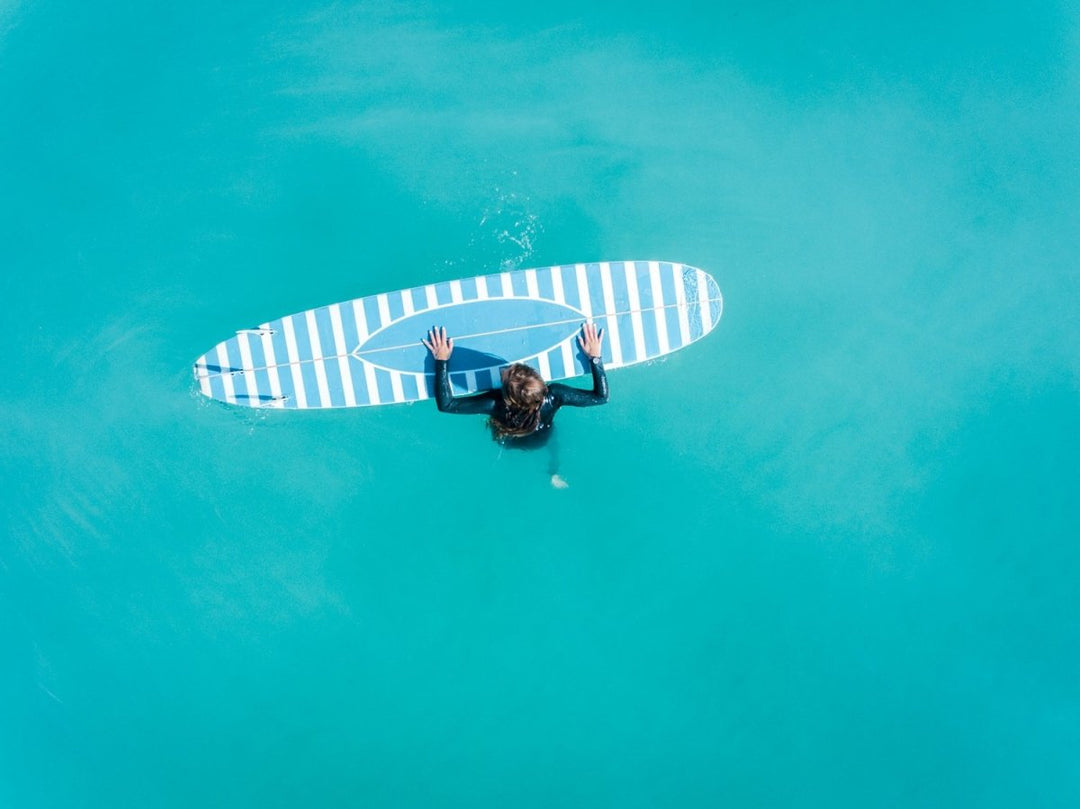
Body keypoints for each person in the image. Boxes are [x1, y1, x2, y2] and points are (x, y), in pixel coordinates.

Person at [422, 323, 609, 488]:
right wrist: (595, 357)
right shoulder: (555, 395)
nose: (504, 370)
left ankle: (551, 472)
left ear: (508, 395)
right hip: (542, 435)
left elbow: (447, 405)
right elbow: (601, 397)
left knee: (500, 435)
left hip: (510, 439)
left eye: (506, 375)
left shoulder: (495, 403)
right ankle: (553, 473)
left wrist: (442, 361)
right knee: (554, 444)